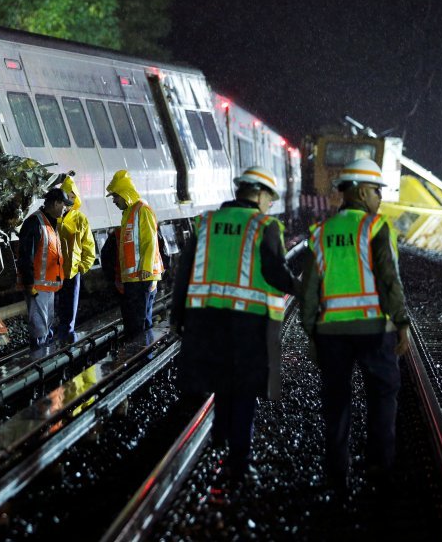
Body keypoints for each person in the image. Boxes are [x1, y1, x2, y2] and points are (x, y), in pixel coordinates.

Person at [171, 166, 299, 482]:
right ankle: (239, 459)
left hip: (205, 320)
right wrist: (303, 287)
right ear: (257, 193)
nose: (270, 203)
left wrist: (178, 316)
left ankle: (219, 439)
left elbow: (183, 272)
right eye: (269, 197)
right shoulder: (264, 226)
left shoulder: (207, 222)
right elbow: (274, 272)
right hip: (248, 323)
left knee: (219, 383)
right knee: (243, 389)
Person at [300, 158, 411, 494]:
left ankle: (337, 473)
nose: (380, 197)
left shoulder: (320, 233)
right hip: (374, 330)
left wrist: (311, 333)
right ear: (362, 191)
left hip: (332, 334)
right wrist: (402, 322)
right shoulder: (376, 228)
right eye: (377, 191)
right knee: (383, 396)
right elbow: (389, 281)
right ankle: (379, 467)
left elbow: (309, 290)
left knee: (336, 401)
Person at [105, 170, 164, 342]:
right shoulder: (129, 213)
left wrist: (145, 267)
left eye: (116, 196)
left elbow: (150, 240)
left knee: (138, 325)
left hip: (142, 276)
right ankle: (142, 357)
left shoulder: (142, 210)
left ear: (124, 194)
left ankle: (143, 358)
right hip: (134, 278)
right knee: (136, 323)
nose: (114, 201)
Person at [16, 188, 70, 349]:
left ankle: (45, 354)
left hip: (47, 286)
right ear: (55, 203)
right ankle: (39, 356)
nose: (65, 209)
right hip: (36, 286)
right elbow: (26, 255)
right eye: (64, 205)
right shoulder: (35, 223)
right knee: (39, 325)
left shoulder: (50, 223)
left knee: (46, 323)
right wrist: (29, 283)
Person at [56, 176, 96, 344]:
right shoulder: (54, 217)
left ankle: (67, 337)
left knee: (69, 307)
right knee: (56, 306)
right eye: (67, 196)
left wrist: (82, 266)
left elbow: (88, 246)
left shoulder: (80, 219)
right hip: (54, 271)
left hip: (72, 271)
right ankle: (57, 336)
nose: (70, 200)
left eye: (73, 196)